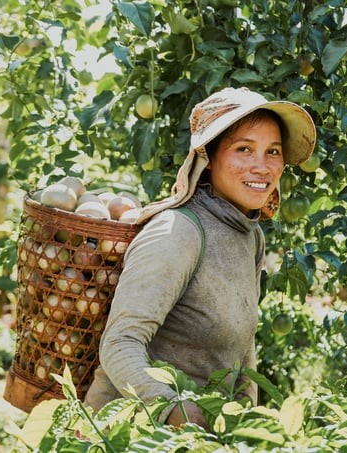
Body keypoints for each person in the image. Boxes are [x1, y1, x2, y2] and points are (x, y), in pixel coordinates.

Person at [84, 87, 317, 427]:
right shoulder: (177, 232)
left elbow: (242, 350)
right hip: (126, 434)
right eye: (244, 149)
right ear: (209, 158)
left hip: (200, 435)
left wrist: (244, 418)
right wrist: (172, 408)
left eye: (273, 152)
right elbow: (120, 344)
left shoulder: (250, 236)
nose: (261, 166)